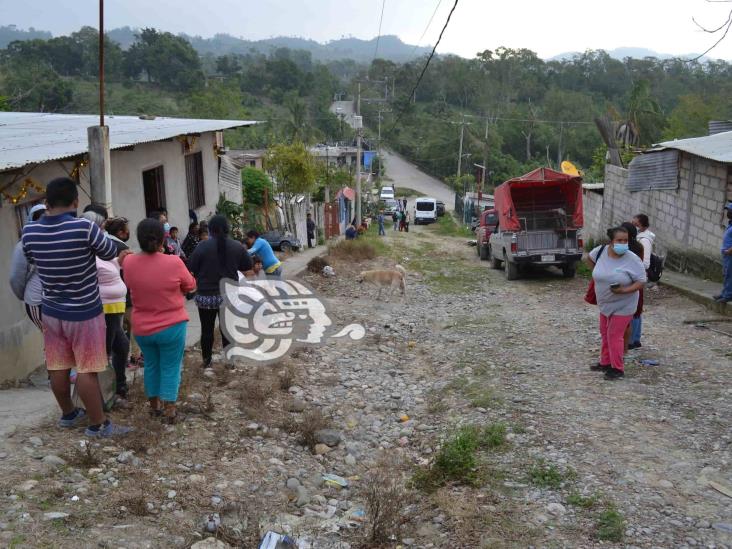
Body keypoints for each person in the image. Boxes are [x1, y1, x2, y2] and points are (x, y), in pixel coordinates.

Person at [21, 177, 131, 437]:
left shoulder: (30, 231)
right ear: (75, 202)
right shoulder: (84, 227)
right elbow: (107, 252)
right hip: (84, 310)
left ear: (46, 202)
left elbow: (30, 258)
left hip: (51, 310)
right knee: (87, 368)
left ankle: (68, 414)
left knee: (58, 365)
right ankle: (98, 424)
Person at [122, 219, 196, 422]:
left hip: (143, 328)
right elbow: (190, 285)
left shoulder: (129, 263)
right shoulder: (174, 262)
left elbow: (128, 280)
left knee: (152, 365)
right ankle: (170, 409)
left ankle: (154, 407)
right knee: (171, 366)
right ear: (163, 238)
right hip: (172, 326)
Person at [190, 216, 253, 370]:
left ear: (210, 230)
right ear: (227, 229)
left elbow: (191, 266)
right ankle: (229, 362)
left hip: (205, 296)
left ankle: (207, 362)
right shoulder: (236, 246)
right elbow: (247, 265)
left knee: (206, 330)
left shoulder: (202, 246)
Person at [82, 211, 131, 405]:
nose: (103, 230)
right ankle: (105, 396)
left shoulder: (104, 245)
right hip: (105, 306)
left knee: (121, 345)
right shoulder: (87, 249)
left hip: (115, 304)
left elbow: (110, 268)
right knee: (106, 351)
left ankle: (119, 387)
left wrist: (121, 260)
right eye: (100, 227)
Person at [587, 227, 647, 380]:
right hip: (605, 303)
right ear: (611, 242)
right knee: (604, 333)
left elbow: (641, 281)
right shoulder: (600, 251)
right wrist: (600, 275)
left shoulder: (632, 259)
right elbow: (589, 258)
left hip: (624, 304)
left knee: (614, 335)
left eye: (625, 241)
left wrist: (625, 290)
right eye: (619, 240)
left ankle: (617, 368)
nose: (623, 244)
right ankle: (605, 362)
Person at [9, 204, 46, 330]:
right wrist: (25, 295)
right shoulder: (24, 245)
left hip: (60, 301)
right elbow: (15, 278)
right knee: (55, 341)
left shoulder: (57, 239)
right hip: (38, 301)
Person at [621, 222, 645, 351]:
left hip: (628, 281)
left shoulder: (625, 248)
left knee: (628, 311)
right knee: (637, 310)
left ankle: (629, 340)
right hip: (638, 281)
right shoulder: (639, 247)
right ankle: (636, 339)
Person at [715, 202, 732, 303]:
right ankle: (725, 293)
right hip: (727, 255)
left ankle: (728, 295)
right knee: (726, 274)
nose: (728, 213)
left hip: (730, 255)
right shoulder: (730, 224)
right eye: (728, 211)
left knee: (729, 275)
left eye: (729, 211)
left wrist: (729, 251)